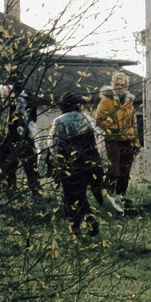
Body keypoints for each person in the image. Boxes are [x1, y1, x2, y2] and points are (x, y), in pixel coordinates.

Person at [47, 91, 103, 236]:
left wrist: (55, 165)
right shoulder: (85, 119)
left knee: (70, 196)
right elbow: (94, 141)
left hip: (68, 164)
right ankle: (88, 217)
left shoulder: (59, 121)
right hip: (86, 163)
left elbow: (54, 145)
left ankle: (76, 226)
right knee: (81, 193)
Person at [93, 74, 142, 200]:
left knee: (125, 171)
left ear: (126, 87)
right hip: (113, 140)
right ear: (112, 85)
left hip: (128, 140)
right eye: (117, 84)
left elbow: (133, 124)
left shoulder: (129, 102)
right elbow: (99, 119)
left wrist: (136, 143)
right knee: (113, 170)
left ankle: (121, 196)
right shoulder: (106, 100)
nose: (119, 87)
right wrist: (113, 128)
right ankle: (108, 196)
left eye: (122, 85)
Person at [0, 84, 42, 195]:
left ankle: (14, 194)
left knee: (10, 173)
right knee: (30, 171)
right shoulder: (26, 97)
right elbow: (33, 118)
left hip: (7, 139)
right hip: (21, 137)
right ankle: (34, 194)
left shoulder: (0, 97)